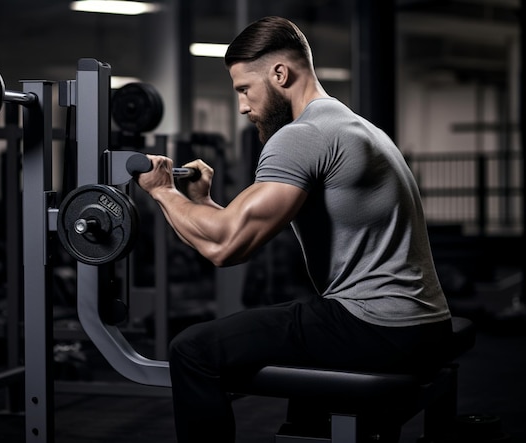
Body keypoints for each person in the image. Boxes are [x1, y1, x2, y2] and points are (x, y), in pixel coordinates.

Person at [134, 16, 452, 443]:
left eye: (245, 90)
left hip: (376, 326)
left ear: (280, 74)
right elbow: (229, 230)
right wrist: (203, 203)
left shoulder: (303, 136)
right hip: (424, 325)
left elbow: (226, 247)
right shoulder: (352, 125)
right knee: (304, 344)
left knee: (192, 351)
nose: (243, 107)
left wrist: (162, 192)